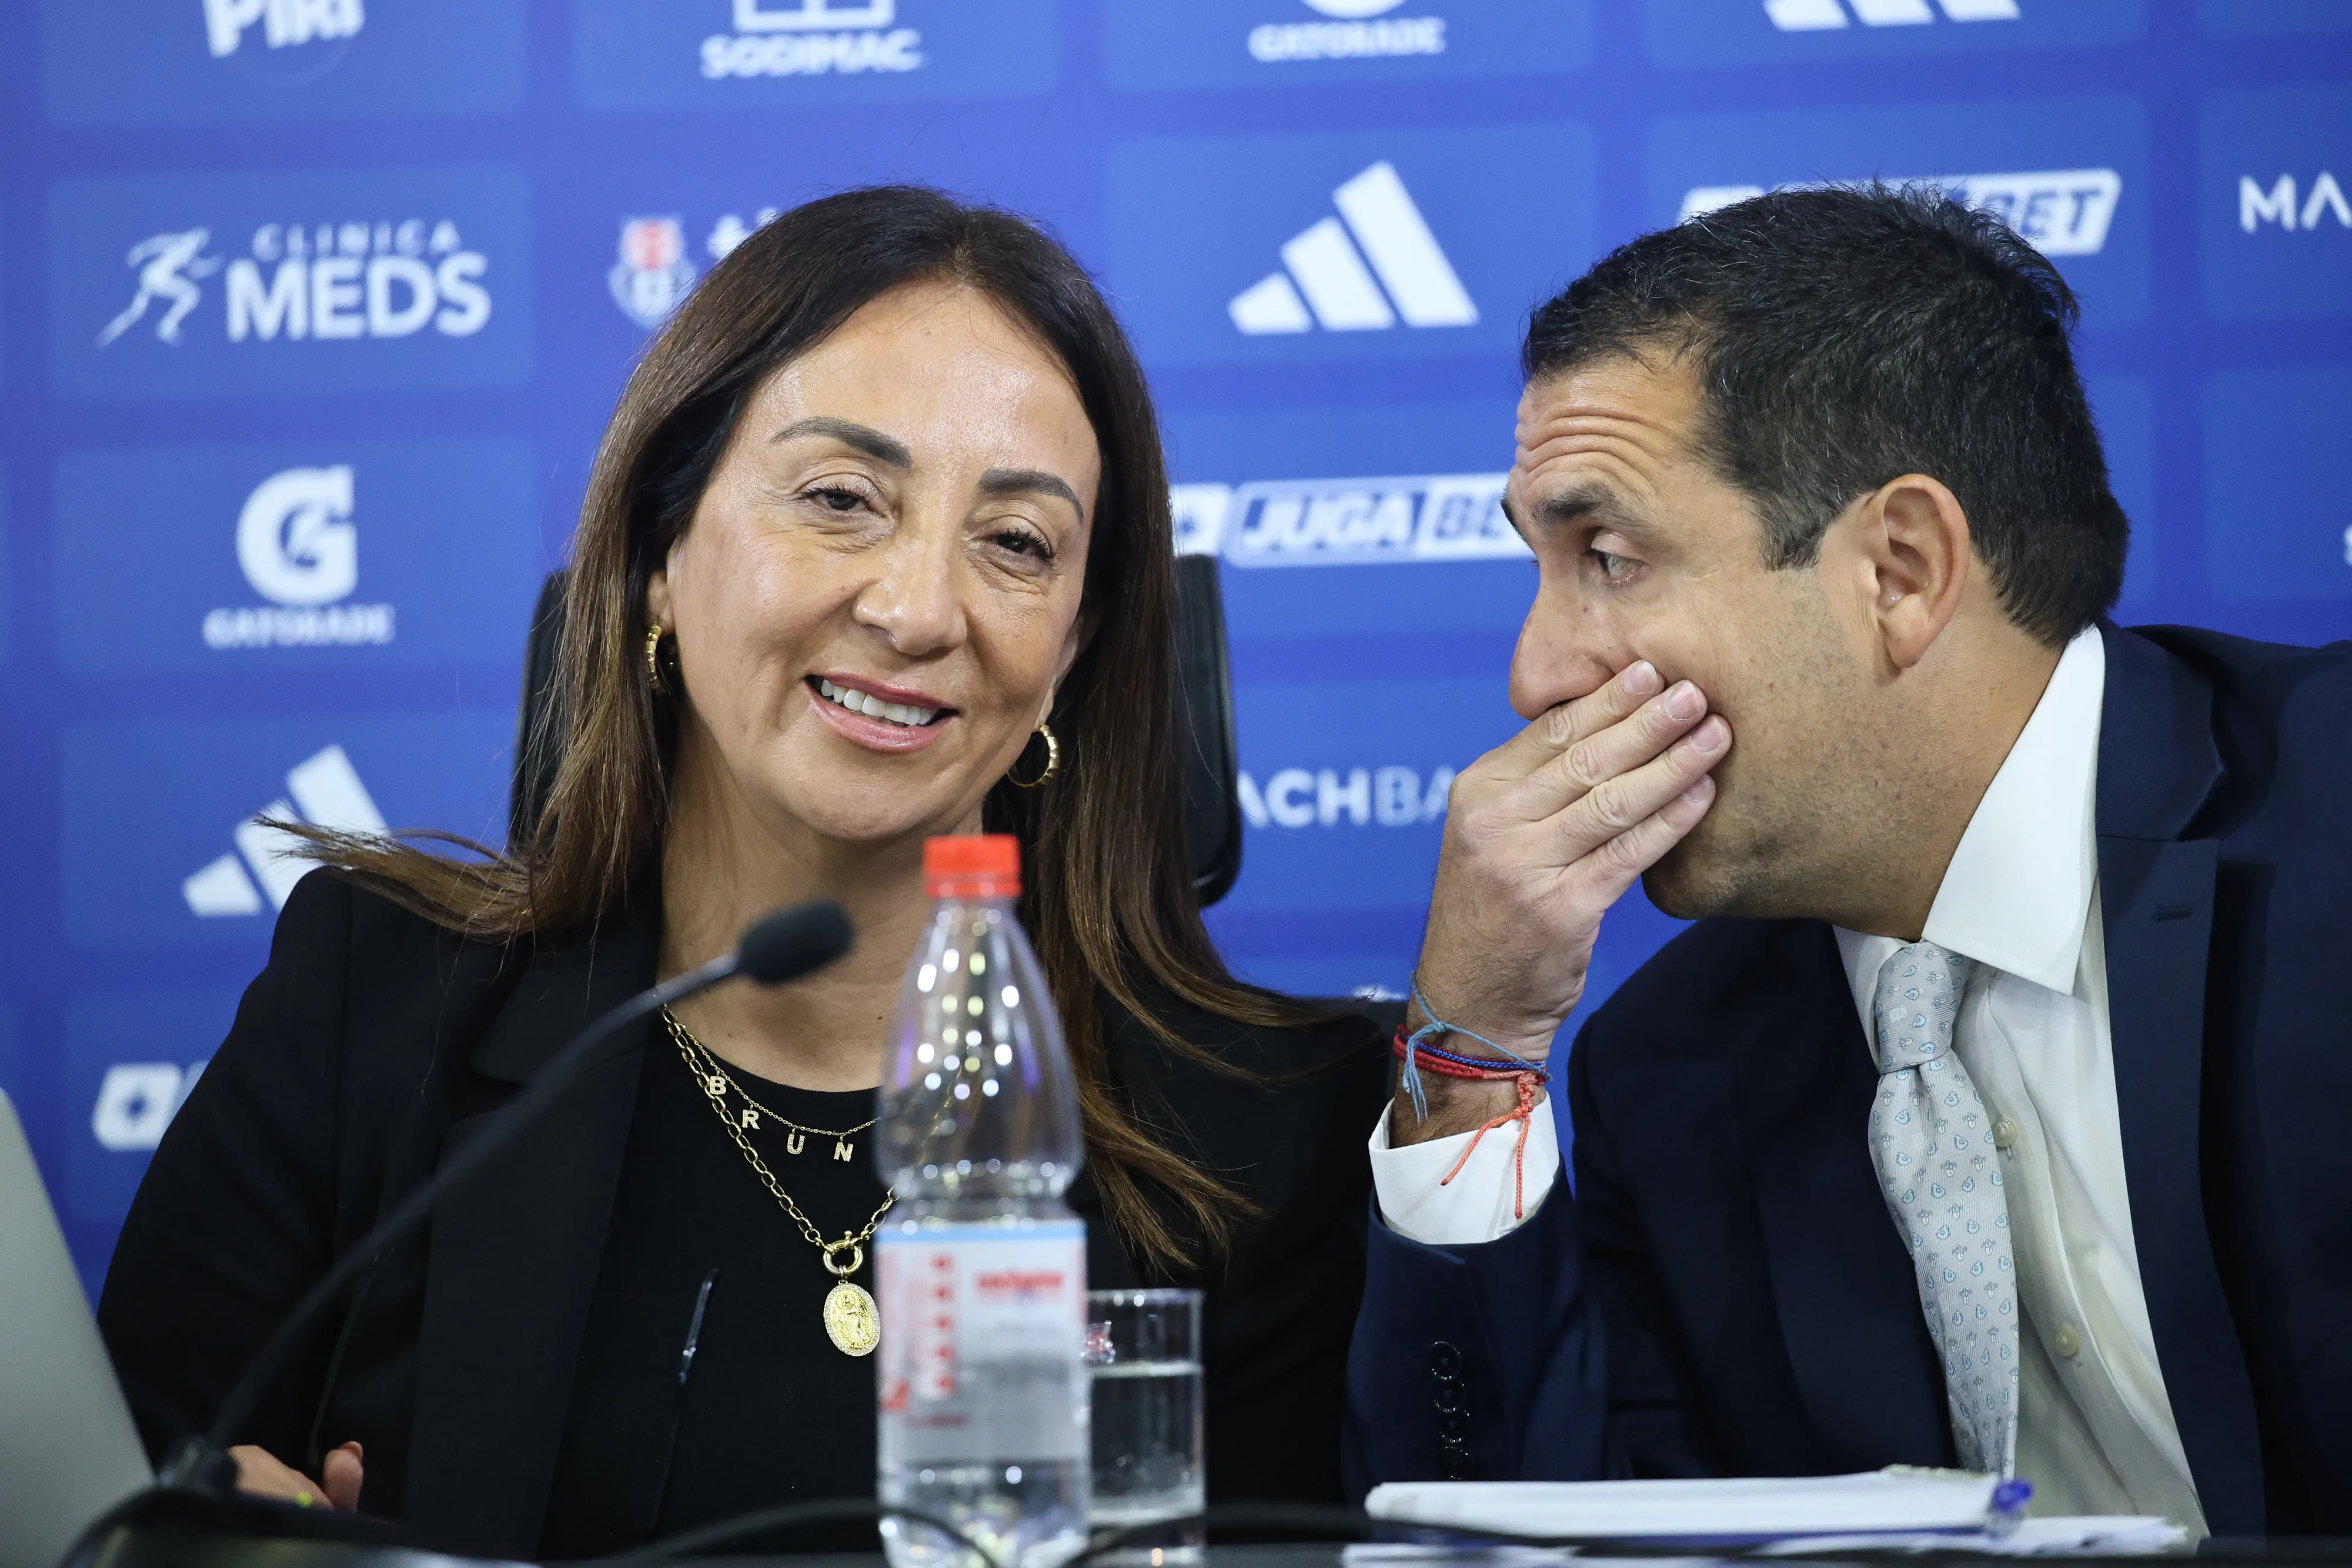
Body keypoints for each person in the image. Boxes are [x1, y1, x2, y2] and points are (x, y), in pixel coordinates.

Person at [99, 187, 1389, 1557]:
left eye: (1016, 543)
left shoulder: (1262, 1130)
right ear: (662, 554)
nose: (916, 609)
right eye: (841, 499)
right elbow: (112, 1511)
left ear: (1069, 648)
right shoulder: (375, 1009)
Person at [1347, 185, 2352, 1535]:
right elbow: (1523, 1544)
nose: (1536, 674)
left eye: (1608, 556)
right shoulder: (1667, 1073)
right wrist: (1470, 1052)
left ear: (1897, 567)